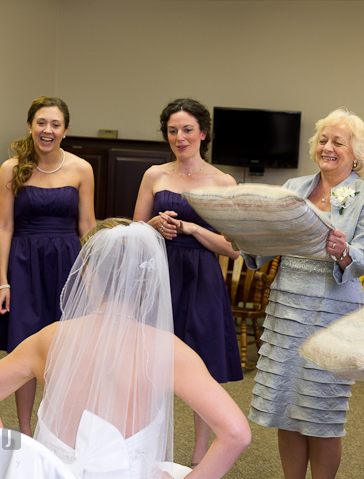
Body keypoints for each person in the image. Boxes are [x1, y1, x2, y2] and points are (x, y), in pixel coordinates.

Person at [0, 219, 251, 478]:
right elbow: (236, 434)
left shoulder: (48, 338)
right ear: (147, 281)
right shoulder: (168, 351)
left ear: (86, 274)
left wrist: (12, 464)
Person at [244, 108, 364, 479]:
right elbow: (271, 242)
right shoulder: (294, 188)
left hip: (333, 310)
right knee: (285, 403)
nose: (328, 147)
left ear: (356, 153)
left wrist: (343, 251)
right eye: (323, 140)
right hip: (287, 306)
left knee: (321, 408)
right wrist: (246, 238)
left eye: (338, 142)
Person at [133, 98, 243, 466]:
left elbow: (233, 248)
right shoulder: (154, 175)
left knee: (201, 366)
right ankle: (146, 448)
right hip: (159, 273)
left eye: (187, 130)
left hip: (202, 278)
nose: (180, 137)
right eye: (173, 131)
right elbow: (133, 234)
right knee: (149, 366)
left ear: (203, 133)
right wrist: (153, 226)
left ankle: (200, 455)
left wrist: (194, 228)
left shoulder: (223, 181)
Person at [0, 96, 96, 436]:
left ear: (66, 130)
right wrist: (3, 281)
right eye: (41, 123)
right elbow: (3, 225)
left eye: (55, 124)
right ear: (30, 126)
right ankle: (27, 431)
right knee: (25, 348)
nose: (48, 130)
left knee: (67, 349)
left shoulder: (81, 169)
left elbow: (87, 225)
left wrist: (90, 276)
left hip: (66, 264)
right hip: (24, 265)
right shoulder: (12, 168)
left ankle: (60, 429)